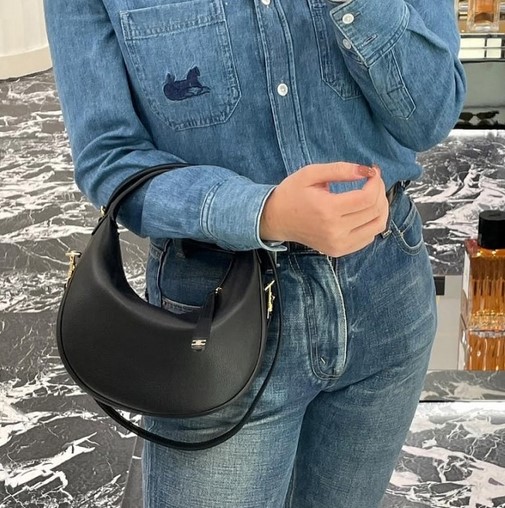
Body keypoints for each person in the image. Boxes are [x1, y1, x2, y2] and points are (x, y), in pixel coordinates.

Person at [44, 0, 466, 506]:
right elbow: (109, 156)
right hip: (216, 318)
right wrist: (261, 212)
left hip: (386, 291)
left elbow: (432, 115)